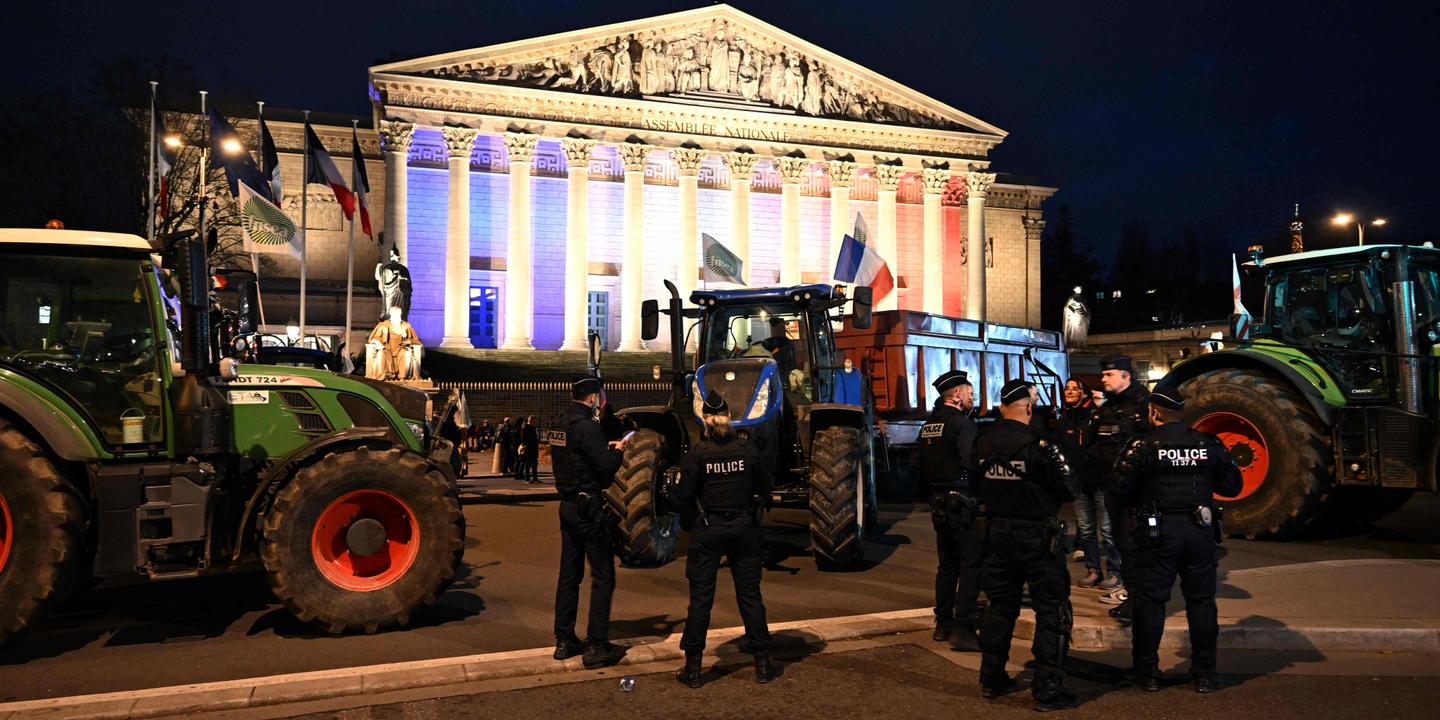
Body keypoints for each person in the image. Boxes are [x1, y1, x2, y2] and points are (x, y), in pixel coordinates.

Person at [1112, 388, 1242, 693]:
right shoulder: (1207, 442)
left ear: (1155, 412)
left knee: (1151, 602)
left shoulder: (1143, 445)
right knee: (1201, 602)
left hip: (1158, 533)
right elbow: (1233, 484)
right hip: (1200, 530)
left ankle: (1147, 673)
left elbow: (1117, 490)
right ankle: (1205, 674)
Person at [975, 379, 1079, 711]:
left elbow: (973, 483)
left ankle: (991, 679)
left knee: (999, 607)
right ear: (1029, 407)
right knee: (1052, 610)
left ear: (1001, 406)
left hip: (996, 534)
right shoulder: (1039, 445)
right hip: (1037, 539)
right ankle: (1047, 689)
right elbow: (1068, 489)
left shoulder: (982, 442)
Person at [672, 390, 776, 688]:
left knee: (701, 599)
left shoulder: (698, 454)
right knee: (750, 596)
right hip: (743, 527)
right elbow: (765, 487)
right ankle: (763, 665)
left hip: (708, 529)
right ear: (729, 418)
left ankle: (693, 669)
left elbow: (679, 497)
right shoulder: (747, 449)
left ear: (705, 420)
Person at [549, 378, 629, 669]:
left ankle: (564, 639)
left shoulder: (560, 423)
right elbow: (606, 469)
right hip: (588, 507)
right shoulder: (589, 426)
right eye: (601, 397)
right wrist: (617, 451)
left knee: (569, 574)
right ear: (594, 397)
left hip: (567, 504)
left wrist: (598, 448)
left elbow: (574, 454)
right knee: (603, 575)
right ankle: (597, 645)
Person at [918, 369, 983, 648]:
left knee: (947, 565)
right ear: (957, 394)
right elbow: (972, 461)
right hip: (961, 500)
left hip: (937, 502)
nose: (972, 396)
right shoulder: (961, 425)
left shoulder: (928, 425)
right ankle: (964, 625)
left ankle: (942, 623)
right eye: (969, 392)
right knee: (970, 563)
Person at [1087, 354, 1151, 621]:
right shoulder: (1108, 406)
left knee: (1137, 546)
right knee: (1123, 544)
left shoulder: (1143, 404)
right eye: (1103, 374)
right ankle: (1131, 595)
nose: (1103, 379)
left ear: (1126, 376)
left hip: (1137, 490)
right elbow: (1095, 444)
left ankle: (1139, 602)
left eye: (1108, 375)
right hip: (1112, 489)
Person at [1054, 378, 1121, 591]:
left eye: (1075, 388)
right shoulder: (1064, 418)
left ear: (1084, 393)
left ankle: (1114, 572)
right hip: (1078, 484)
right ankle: (1093, 570)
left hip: (1100, 483)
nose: (1070, 391)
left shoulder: (1096, 416)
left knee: (1108, 530)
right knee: (1086, 530)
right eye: (1067, 388)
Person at [519, 415, 541, 484]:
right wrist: (533, 441)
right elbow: (523, 439)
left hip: (534, 448)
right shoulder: (525, 428)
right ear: (531, 421)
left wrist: (537, 439)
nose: (535, 423)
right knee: (528, 465)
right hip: (528, 448)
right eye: (534, 421)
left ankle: (535, 478)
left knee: (535, 464)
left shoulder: (533, 428)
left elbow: (535, 437)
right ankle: (527, 479)